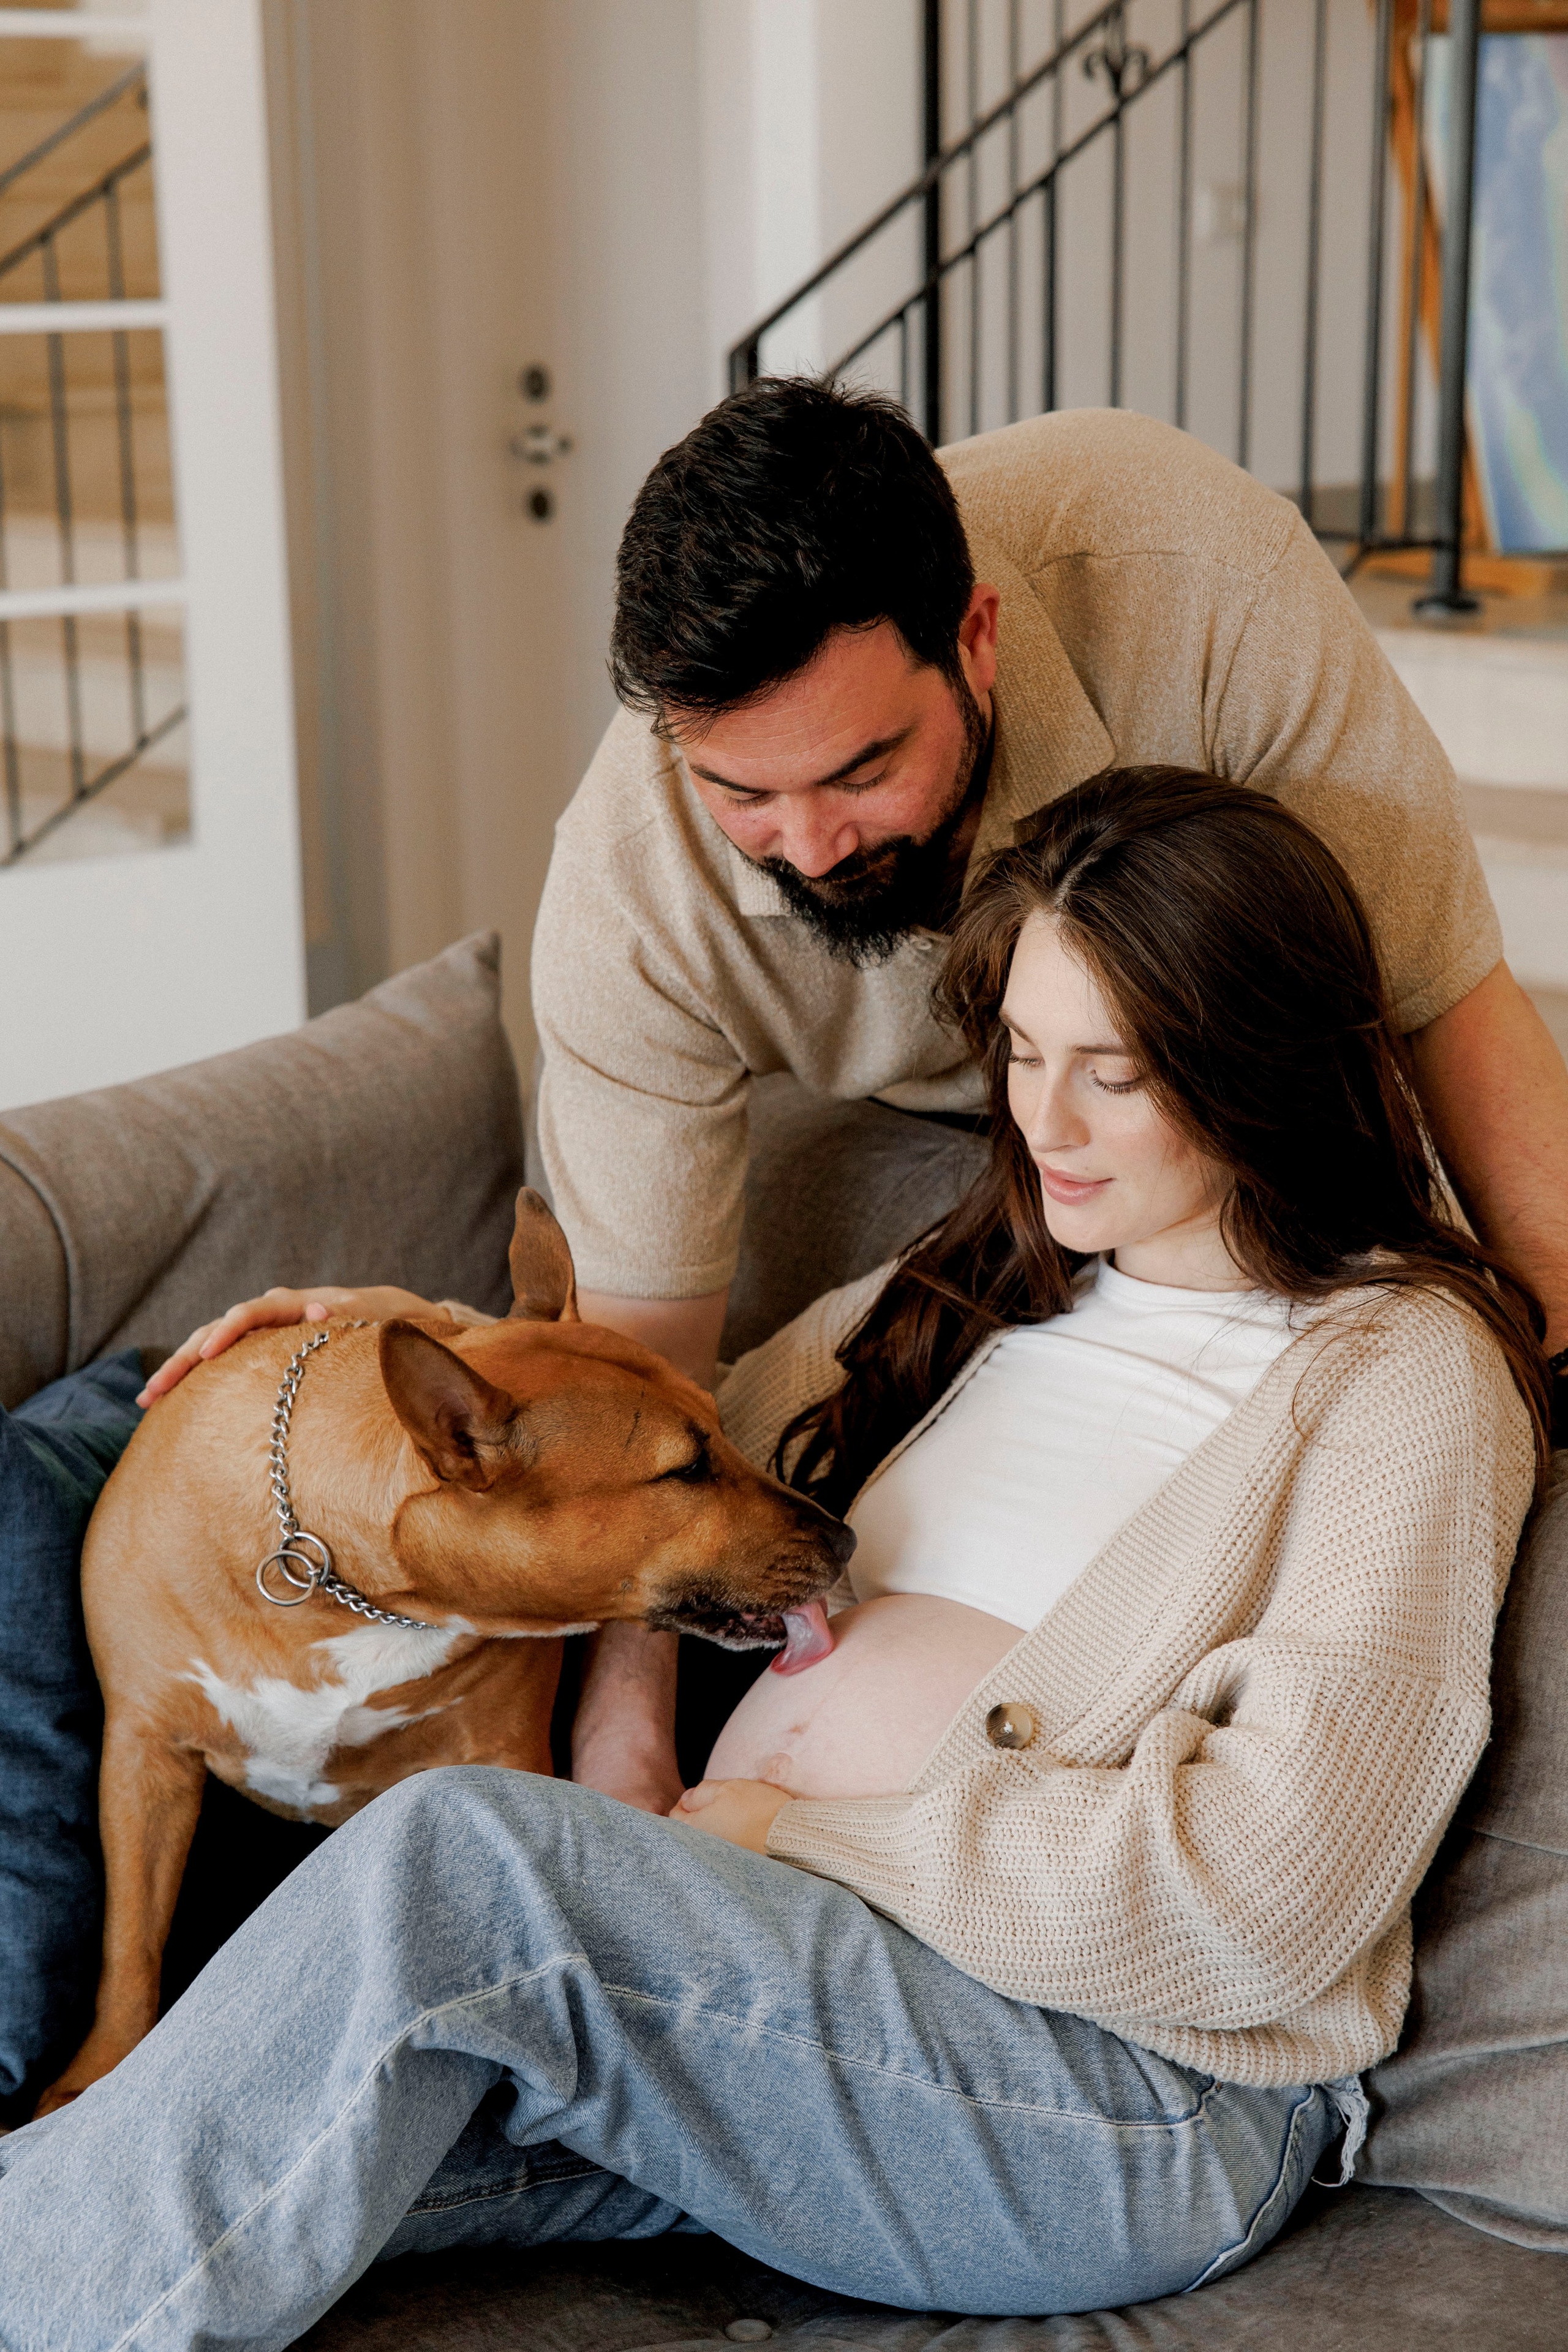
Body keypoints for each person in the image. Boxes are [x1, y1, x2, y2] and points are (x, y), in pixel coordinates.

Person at [2, 768, 1547, 2343]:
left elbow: (1271, 1897)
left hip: (1121, 2095)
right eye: (1019, 1054)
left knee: (457, 1863)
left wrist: (800, 1835)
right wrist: (371, 1352)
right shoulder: (986, 1284)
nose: (1045, 1123)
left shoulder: (1397, 1373)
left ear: (1256, 1068)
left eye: (1116, 1074)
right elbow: (613, 1458)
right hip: (775, 1998)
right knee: (200, 2159)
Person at [141, 382, 1568, 1817]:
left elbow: (1443, 996)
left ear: (975, 642)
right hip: (976, 1212)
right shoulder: (633, 898)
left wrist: (1533, 1357)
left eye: (862, 770)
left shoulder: (1192, 579)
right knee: (122, 1447)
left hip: (1214, 1142)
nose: (806, 845)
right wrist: (612, 1751)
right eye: (739, 795)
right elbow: (646, 1377)